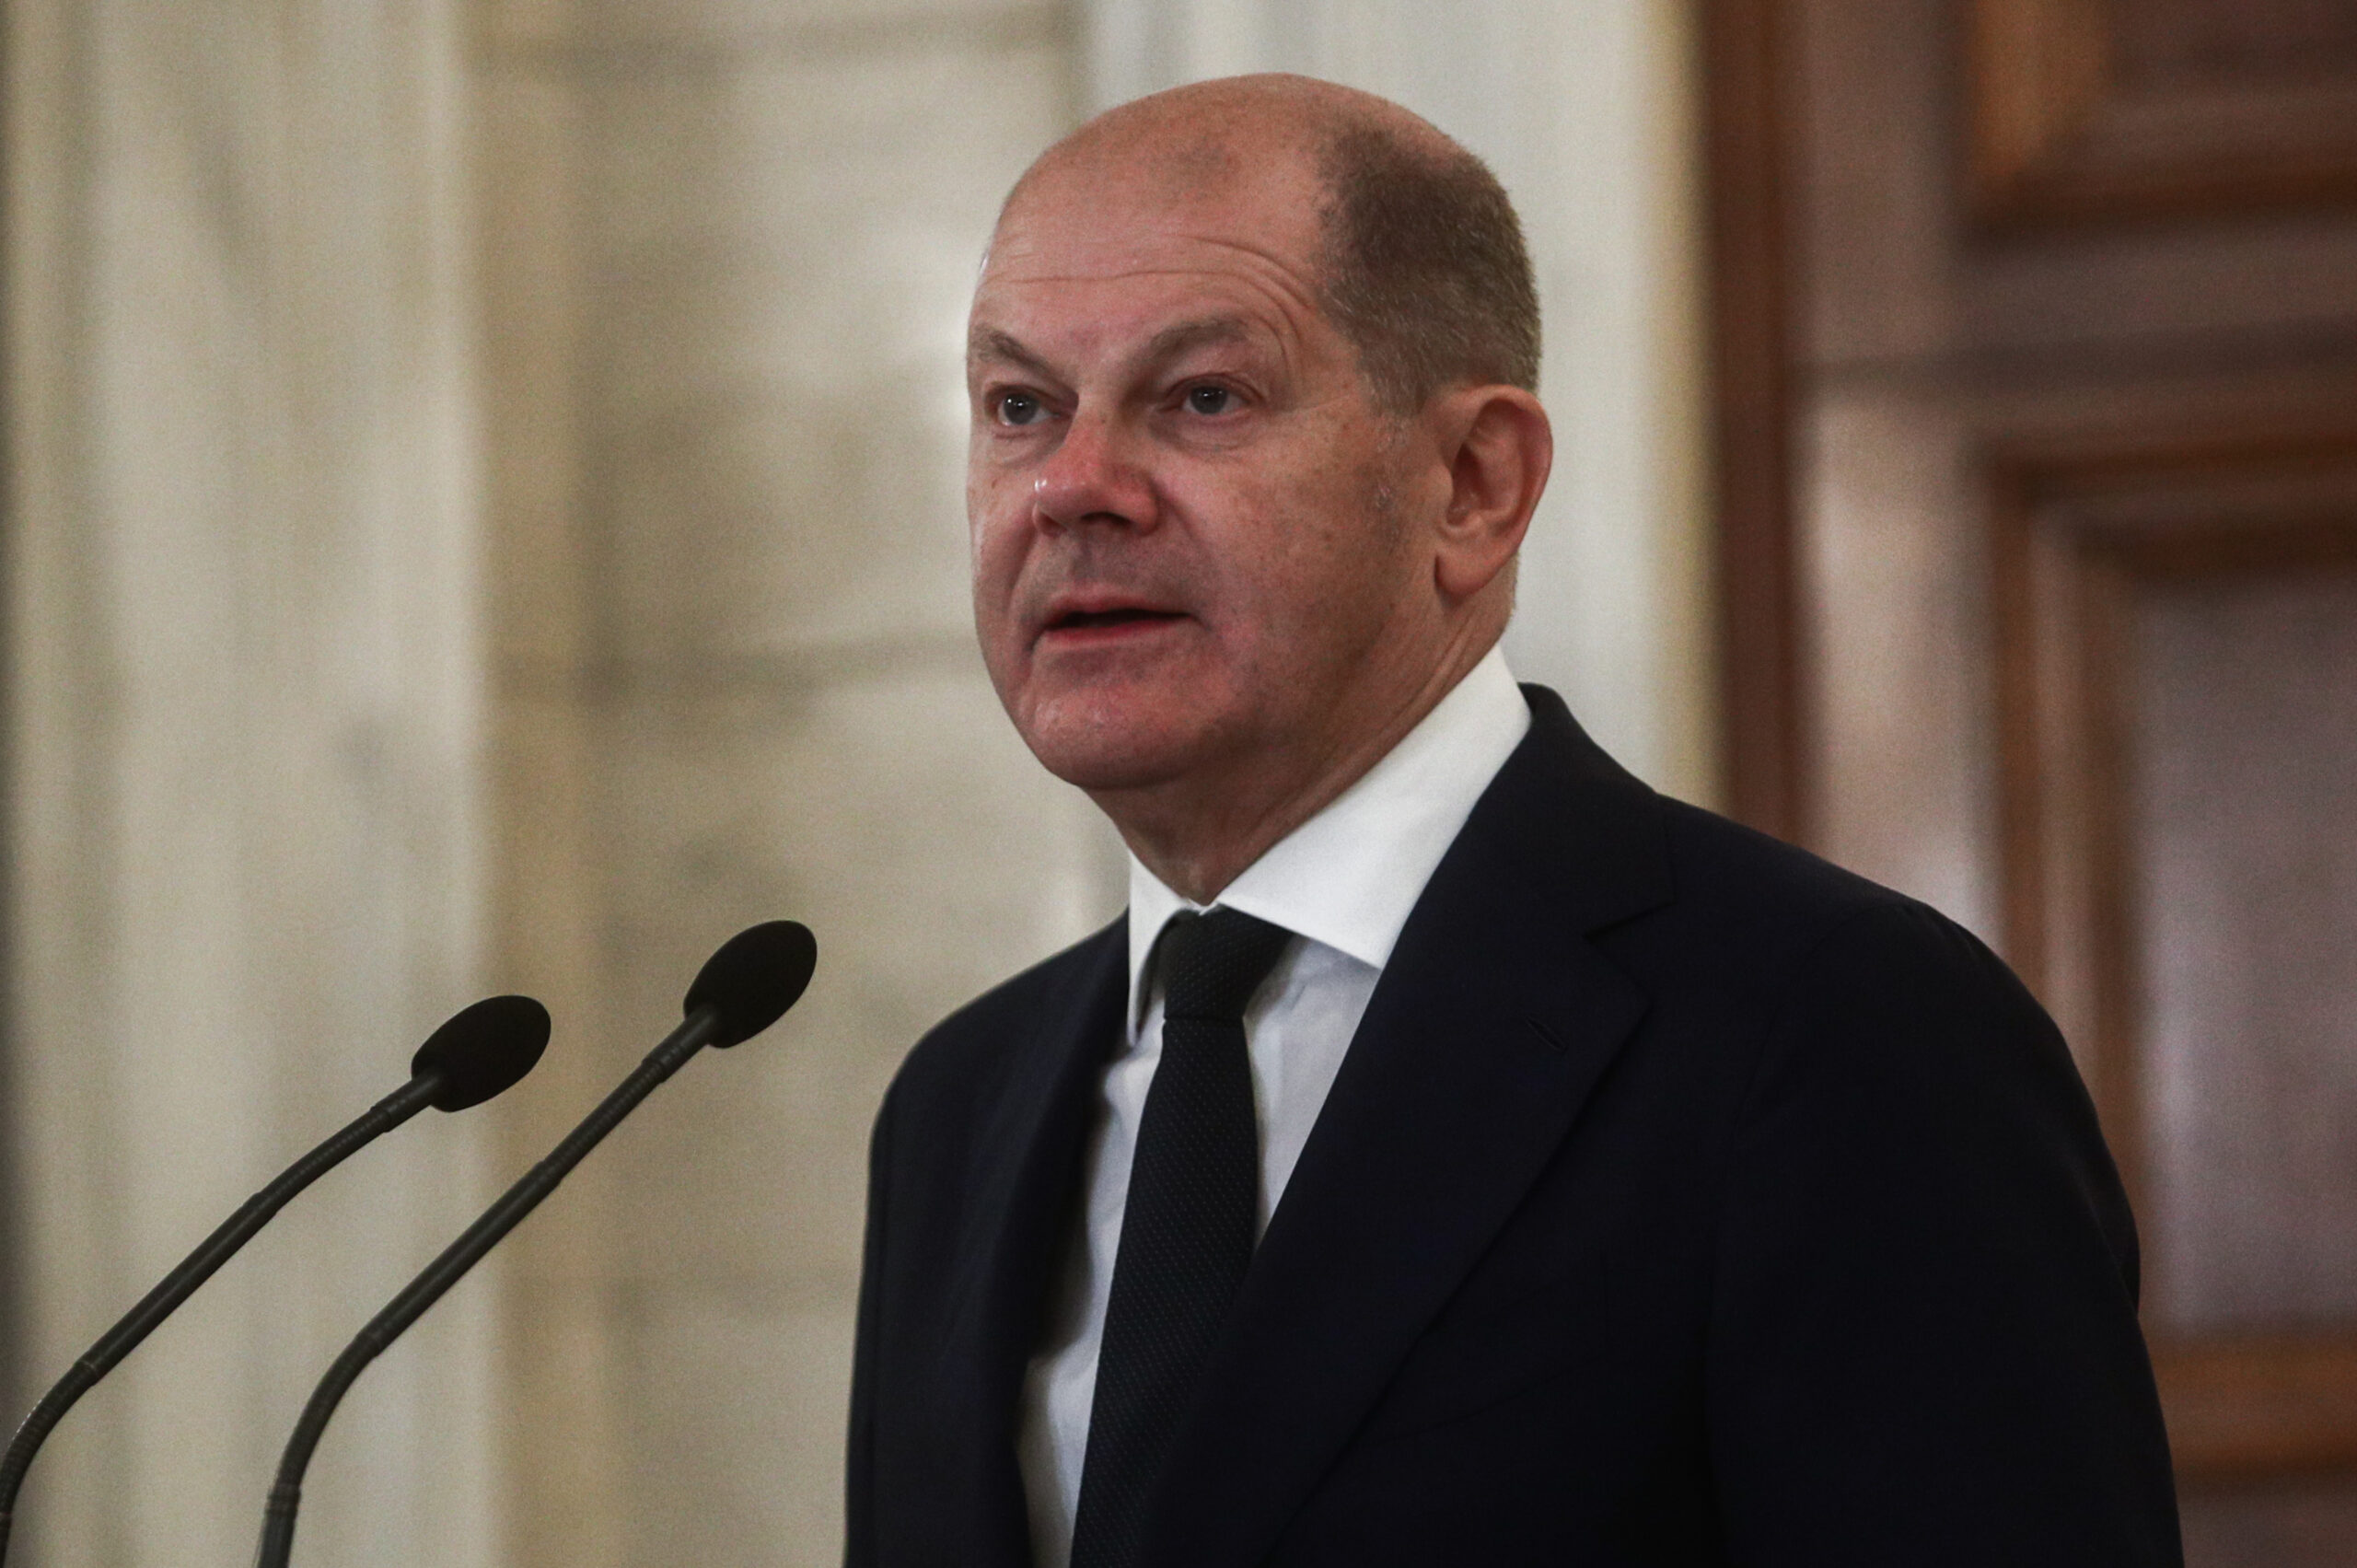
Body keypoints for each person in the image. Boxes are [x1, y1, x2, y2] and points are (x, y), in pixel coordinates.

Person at [845, 74, 2180, 1568]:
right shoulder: (961, 1106)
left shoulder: (1834, 1032)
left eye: (1203, 397)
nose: (1072, 488)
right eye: (1021, 408)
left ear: (1474, 484)